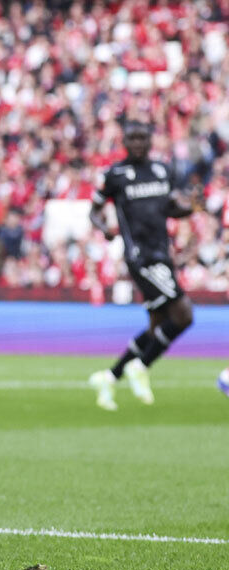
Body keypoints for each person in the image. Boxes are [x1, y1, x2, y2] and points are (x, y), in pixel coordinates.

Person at [89, 120, 199, 410]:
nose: (138, 143)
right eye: (133, 138)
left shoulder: (163, 171)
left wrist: (190, 207)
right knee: (184, 314)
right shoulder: (115, 175)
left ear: (151, 141)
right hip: (141, 257)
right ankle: (142, 366)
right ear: (124, 141)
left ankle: (110, 377)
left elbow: (171, 209)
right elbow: (94, 211)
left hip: (163, 254)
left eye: (143, 138)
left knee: (157, 326)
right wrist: (104, 228)